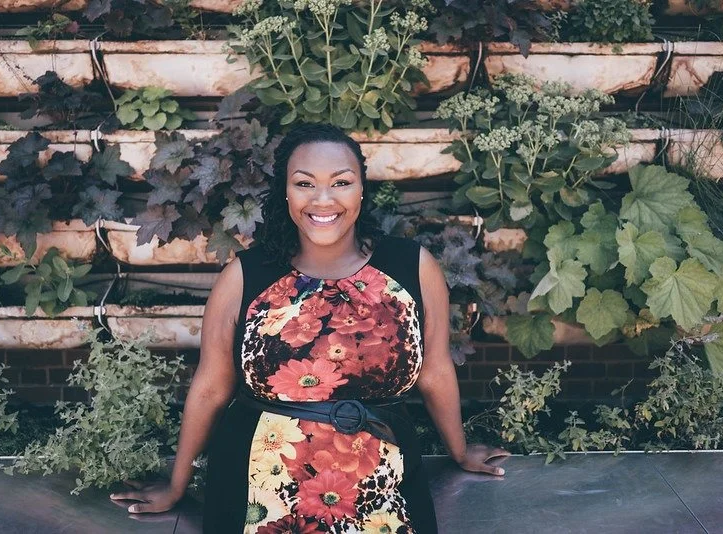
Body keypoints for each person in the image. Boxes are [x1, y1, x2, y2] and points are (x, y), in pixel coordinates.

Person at [110, 123, 510, 532]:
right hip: (258, 489)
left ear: (361, 190)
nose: (323, 199)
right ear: (285, 192)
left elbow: (435, 371)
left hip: (386, 484)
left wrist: (459, 451)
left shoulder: (412, 267)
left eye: (341, 182)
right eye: (304, 183)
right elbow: (211, 388)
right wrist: (177, 485)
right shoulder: (245, 276)